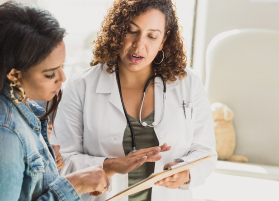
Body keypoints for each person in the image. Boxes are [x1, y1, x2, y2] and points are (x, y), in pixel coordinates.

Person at [50, 0, 217, 200]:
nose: (139, 45)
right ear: (117, 31)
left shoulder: (188, 83)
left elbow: (205, 152)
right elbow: (61, 160)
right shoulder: (82, 85)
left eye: (152, 36)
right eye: (131, 31)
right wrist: (111, 165)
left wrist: (185, 174)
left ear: (163, 40)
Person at [0, 2, 109, 201]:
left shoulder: (19, 110)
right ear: (14, 74)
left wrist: (46, 166)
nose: (62, 78)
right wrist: (72, 186)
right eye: (50, 74)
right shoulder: (1, 133)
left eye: (61, 66)